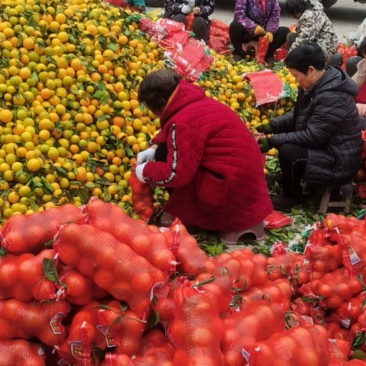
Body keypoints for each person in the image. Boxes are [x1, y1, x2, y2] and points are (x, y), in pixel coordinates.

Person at [135, 69, 272, 244]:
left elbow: (176, 173)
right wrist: (154, 146)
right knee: (164, 150)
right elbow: (179, 129)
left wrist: (145, 171)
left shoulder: (183, 121)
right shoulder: (194, 102)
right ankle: (189, 212)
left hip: (230, 194)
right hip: (243, 184)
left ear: (160, 104)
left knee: (171, 160)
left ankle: (191, 217)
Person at [256, 42, 362, 211]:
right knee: (288, 139)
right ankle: (288, 177)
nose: (295, 81)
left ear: (311, 70)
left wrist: (274, 141)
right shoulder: (312, 85)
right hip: (325, 148)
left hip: (338, 160)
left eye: (296, 75)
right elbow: (296, 115)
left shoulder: (333, 96)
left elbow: (313, 136)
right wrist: (271, 126)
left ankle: (291, 196)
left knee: (289, 150)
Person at [285, 0, 341, 67]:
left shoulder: (310, 15)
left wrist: (289, 58)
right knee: (291, 36)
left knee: (302, 47)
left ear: (296, 10)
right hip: (316, 41)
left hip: (325, 47)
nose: (293, 17)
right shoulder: (311, 8)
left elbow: (303, 39)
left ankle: (320, 64)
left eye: (293, 14)